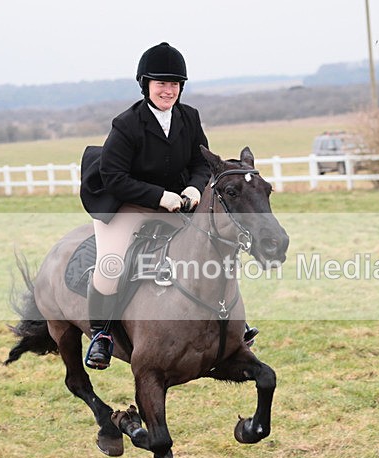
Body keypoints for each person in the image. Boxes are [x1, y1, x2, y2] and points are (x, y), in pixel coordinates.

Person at [79, 42, 257, 371]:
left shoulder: (189, 117)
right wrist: (159, 196)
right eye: (161, 83)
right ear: (146, 85)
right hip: (125, 204)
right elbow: (114, 177)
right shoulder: (126, 124)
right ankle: (101, 334)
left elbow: (201, 163)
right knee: (110, 264)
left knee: (212, 246)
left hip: (176, 202)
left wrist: (192, 187)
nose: (168, 90)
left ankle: (233, 325)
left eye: (174, 84)